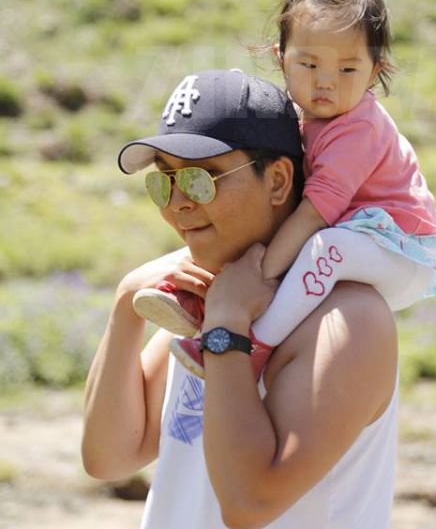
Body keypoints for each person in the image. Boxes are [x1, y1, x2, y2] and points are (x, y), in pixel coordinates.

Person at [81, 68, 400, 528]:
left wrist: (227, 327)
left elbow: (248, 505)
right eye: (164, 180)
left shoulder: (349, 320)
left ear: (278, 181)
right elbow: (109, 457)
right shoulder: (209, 298)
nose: (177, 203)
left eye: (201, 178)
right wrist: (126, 302)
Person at [139, 0, 436, 378]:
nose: (326, 82)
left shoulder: (358, 129)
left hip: (403, 249)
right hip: (358, 238)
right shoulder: (303, 116)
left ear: (374, 70)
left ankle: (252, 343)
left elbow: (314, 214)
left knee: (322, 246)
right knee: (270, 235)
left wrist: (260, 274)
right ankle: (201, 299)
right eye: (309, 65)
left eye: (347, 69)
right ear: (281, 58)